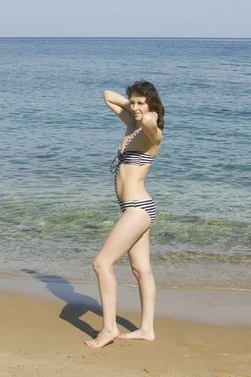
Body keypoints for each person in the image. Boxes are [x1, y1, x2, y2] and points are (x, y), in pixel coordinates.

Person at [85, 81, 165, 348]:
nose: (136, 106)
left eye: (142, 102)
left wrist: (150, 115)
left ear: (152, 104)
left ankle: (109, 329)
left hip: (138, 209)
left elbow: (154, 129)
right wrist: (134, 108)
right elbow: (108, 96)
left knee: (101, 263)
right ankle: (146, 329)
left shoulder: (151, 134)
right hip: (137, 208)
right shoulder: (132, 126)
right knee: (141, 270)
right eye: (134, 101)